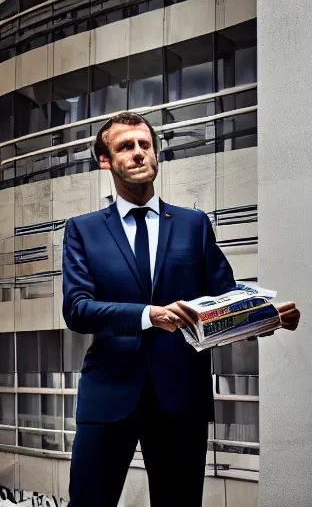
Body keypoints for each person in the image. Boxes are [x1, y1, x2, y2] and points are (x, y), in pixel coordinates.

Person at [61, 112, 300, 507]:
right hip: (109, 394)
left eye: (144, 145)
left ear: (155, 154)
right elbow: (78, 309)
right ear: (105, 160)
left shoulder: (193, 224)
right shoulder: (83, 229)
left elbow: (223, 298)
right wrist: (148, 315)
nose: (138, 153)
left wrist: (265, 317)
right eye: (125, 147)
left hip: (181, 396)